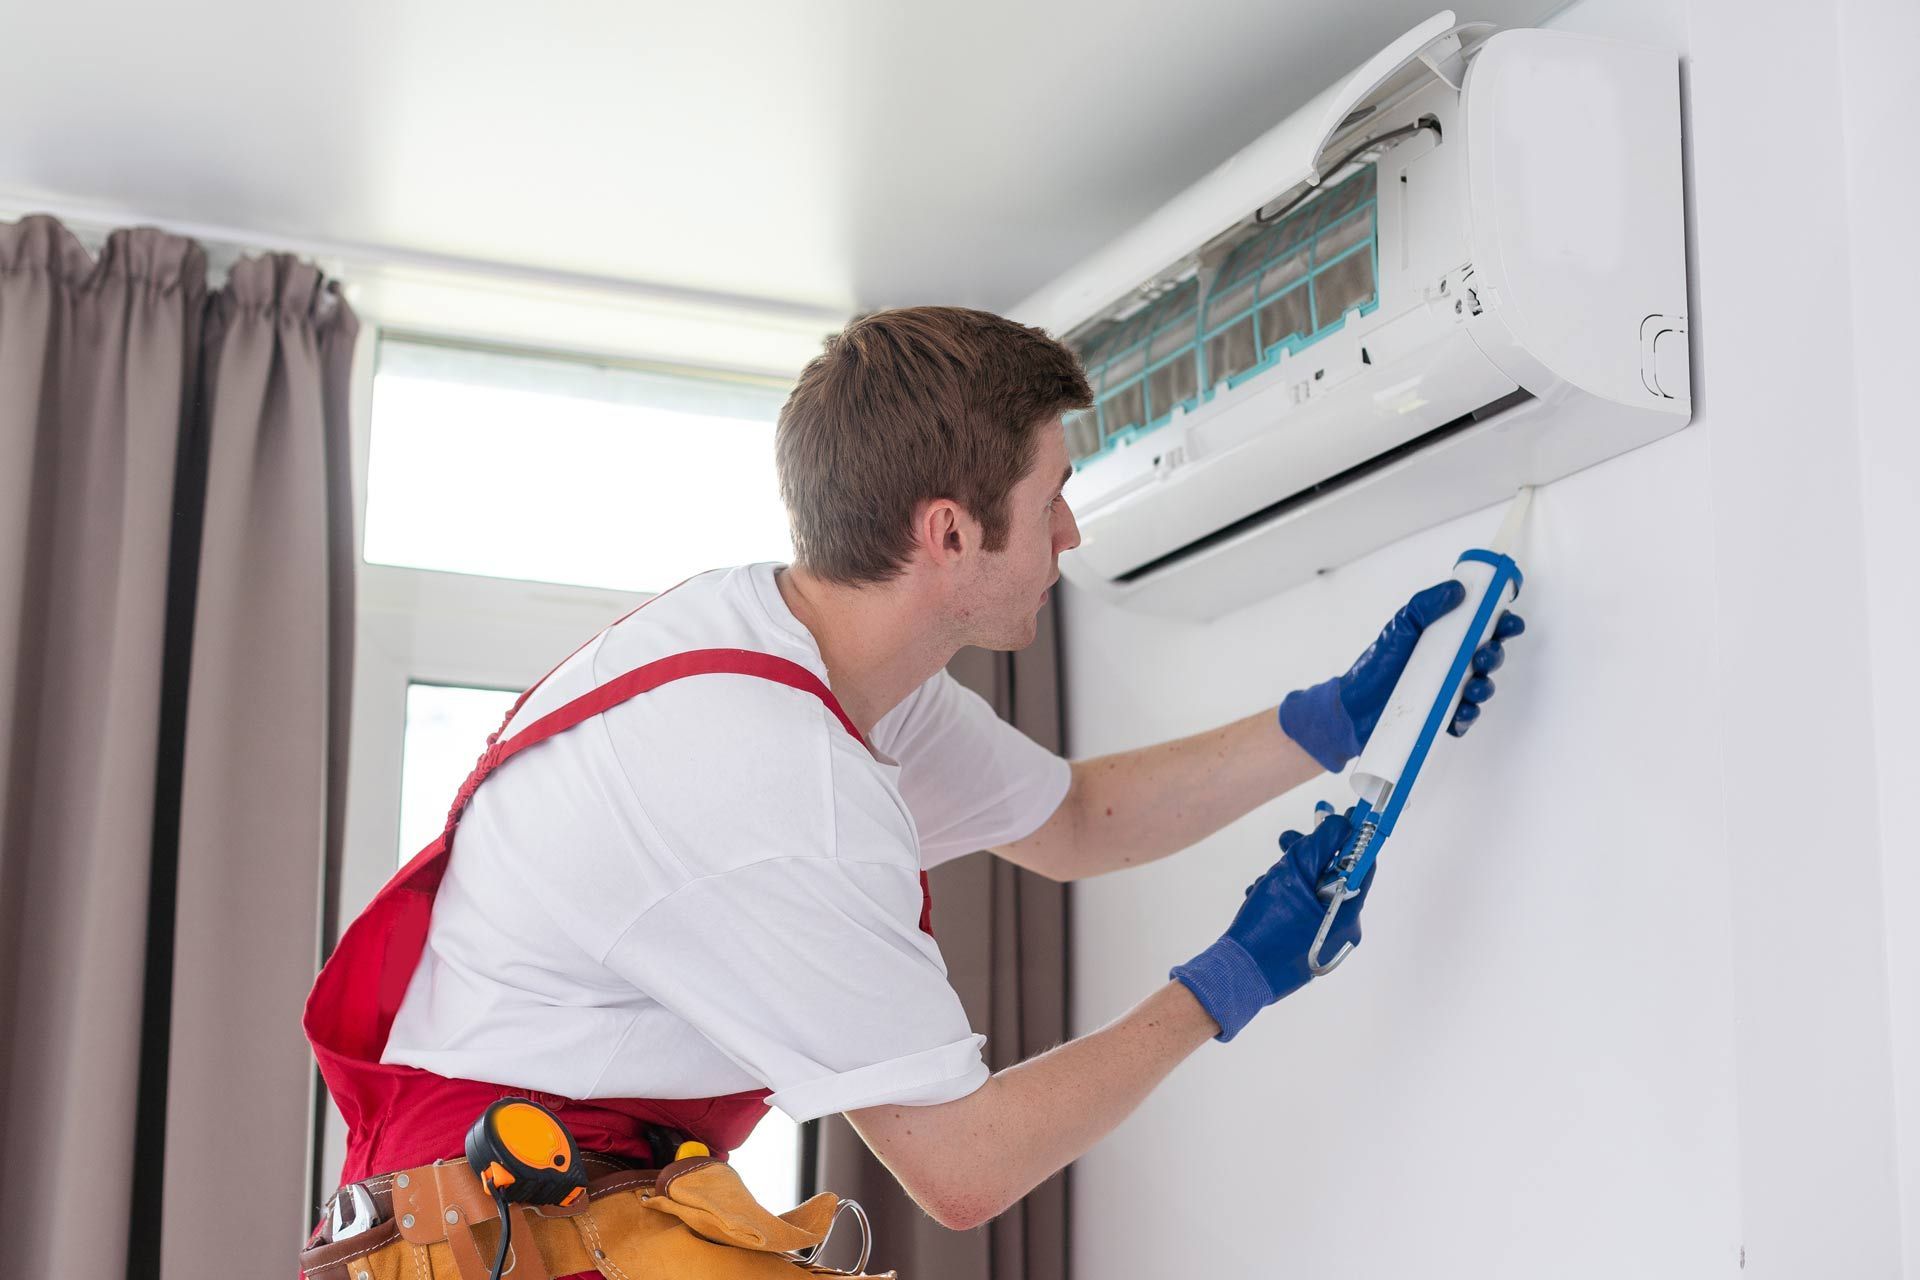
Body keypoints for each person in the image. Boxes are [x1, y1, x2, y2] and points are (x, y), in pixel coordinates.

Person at [304, 306, 1523, 1254]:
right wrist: (1235, 975)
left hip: (552, 1179)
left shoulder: (809, 652)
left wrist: (1334, 721)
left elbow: (1075, 820)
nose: (1071, 535)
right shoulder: (777, 784)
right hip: (493, 1222)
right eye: (1051, 500)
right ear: (949, 533)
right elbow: (965, 1166)